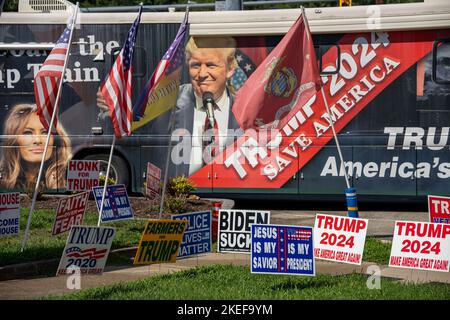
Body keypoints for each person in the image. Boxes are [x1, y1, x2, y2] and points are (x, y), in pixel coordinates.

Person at [0, 104, 72, 192]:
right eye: (28, 133)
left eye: (45, 132)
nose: (38, 140)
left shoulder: (68, 176)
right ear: (14, 140)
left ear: (56, 139)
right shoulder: (3, 178)